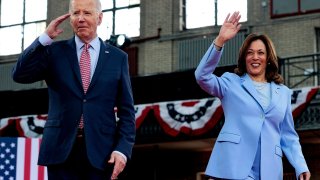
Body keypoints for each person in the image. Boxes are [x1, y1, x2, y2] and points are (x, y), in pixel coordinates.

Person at [12, 0, 135, 179]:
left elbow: (127, 111)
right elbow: (19, 75)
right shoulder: (54, 52)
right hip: (60, 151)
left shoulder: (118, 58)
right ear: (70, 19)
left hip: (102, 153)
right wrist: (44, 38)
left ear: (99, 18)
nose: (81, 18)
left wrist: (122, 150)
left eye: (87, 13)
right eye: (76, 13)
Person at [195, 11, 311, 180]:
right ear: (244, 58)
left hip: (269, 170)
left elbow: (288, 135)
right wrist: (220, 41)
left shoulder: (283, 93)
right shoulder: (230, 83)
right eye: (250, 53)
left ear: (268, 58)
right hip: (233, 167)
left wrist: (300, 165)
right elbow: (202, 76)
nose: (255, 57)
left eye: (260, 53)